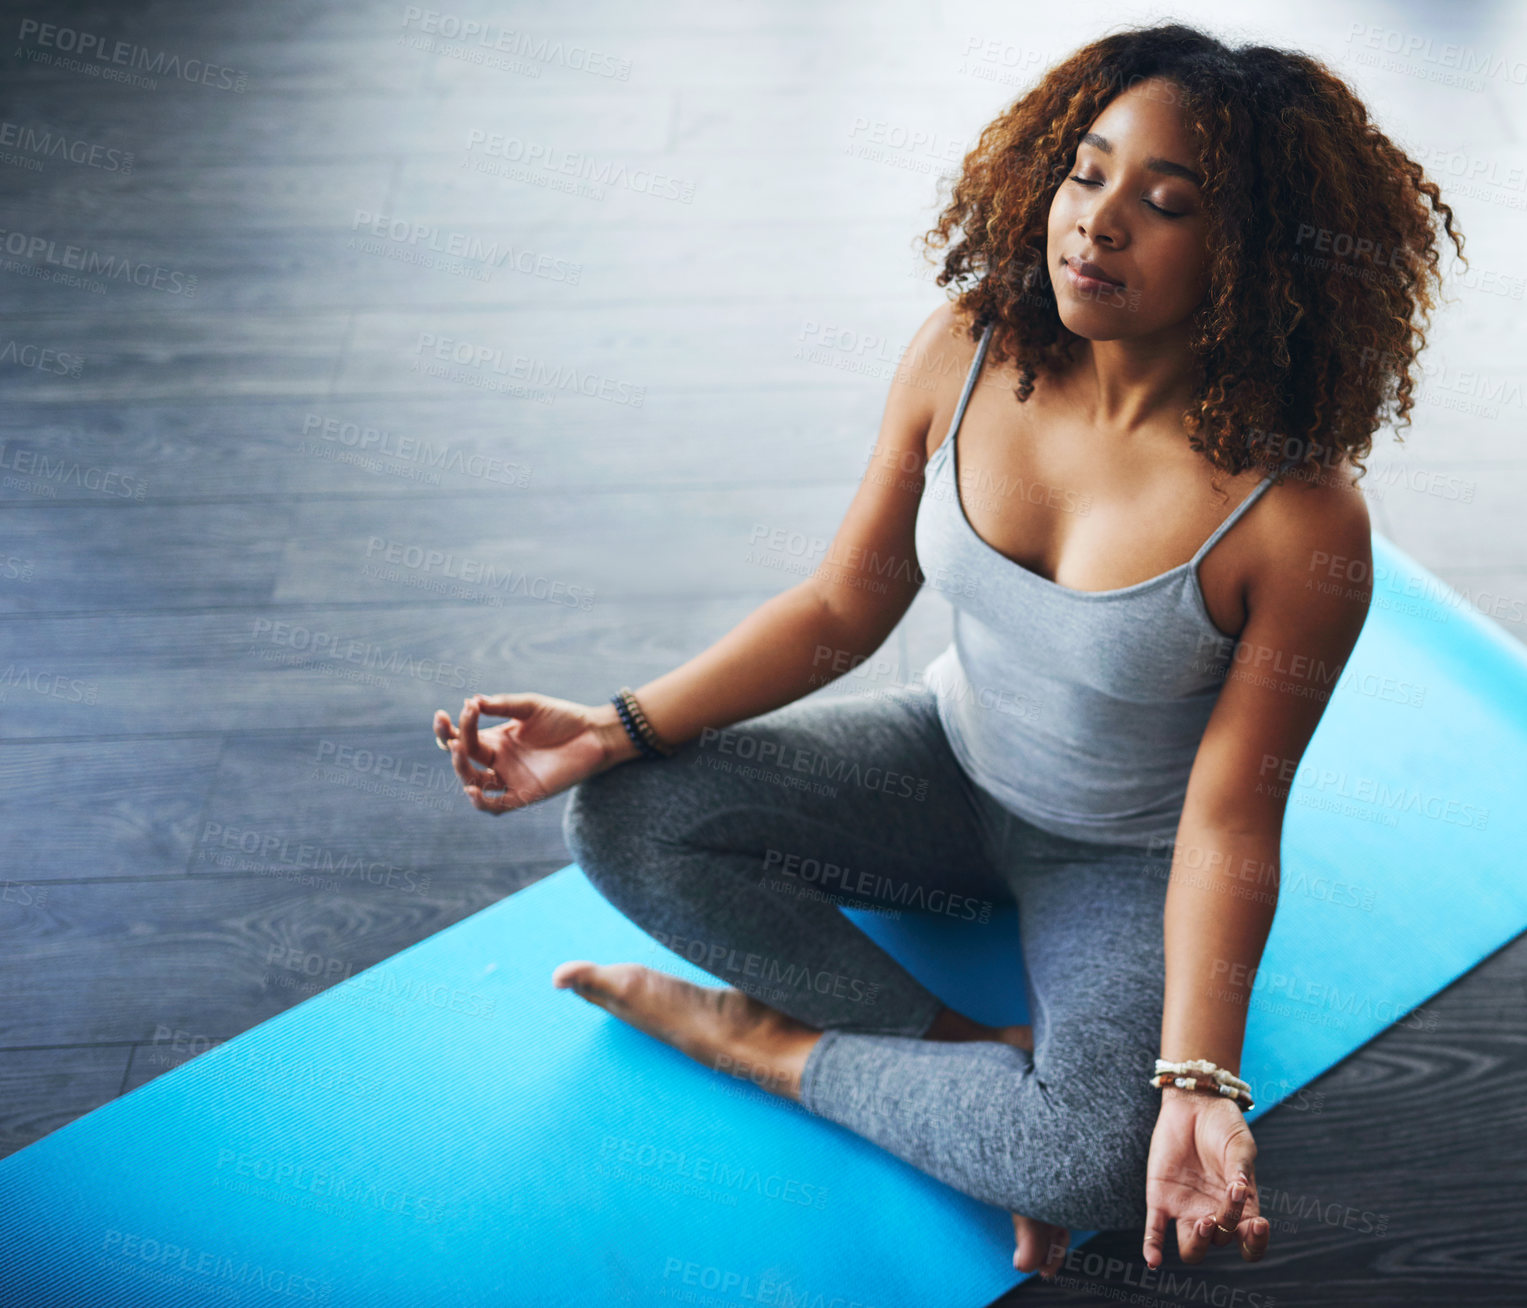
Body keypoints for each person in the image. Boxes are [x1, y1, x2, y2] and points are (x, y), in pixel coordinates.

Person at [433, 21, 1461, 1278]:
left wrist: (1202, 1081)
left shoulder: (1300, 520)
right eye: (1086, 173)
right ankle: (955, 1052)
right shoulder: (969, 345)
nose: (1097, 222)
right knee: (620, 819)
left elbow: (1230, 815)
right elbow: (838, 611)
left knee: (1096, 1160)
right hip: (941, 760)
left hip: (1121, 860)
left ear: (1257, 259)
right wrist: (612, 726)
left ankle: (761, 1046)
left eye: (1167, 201)